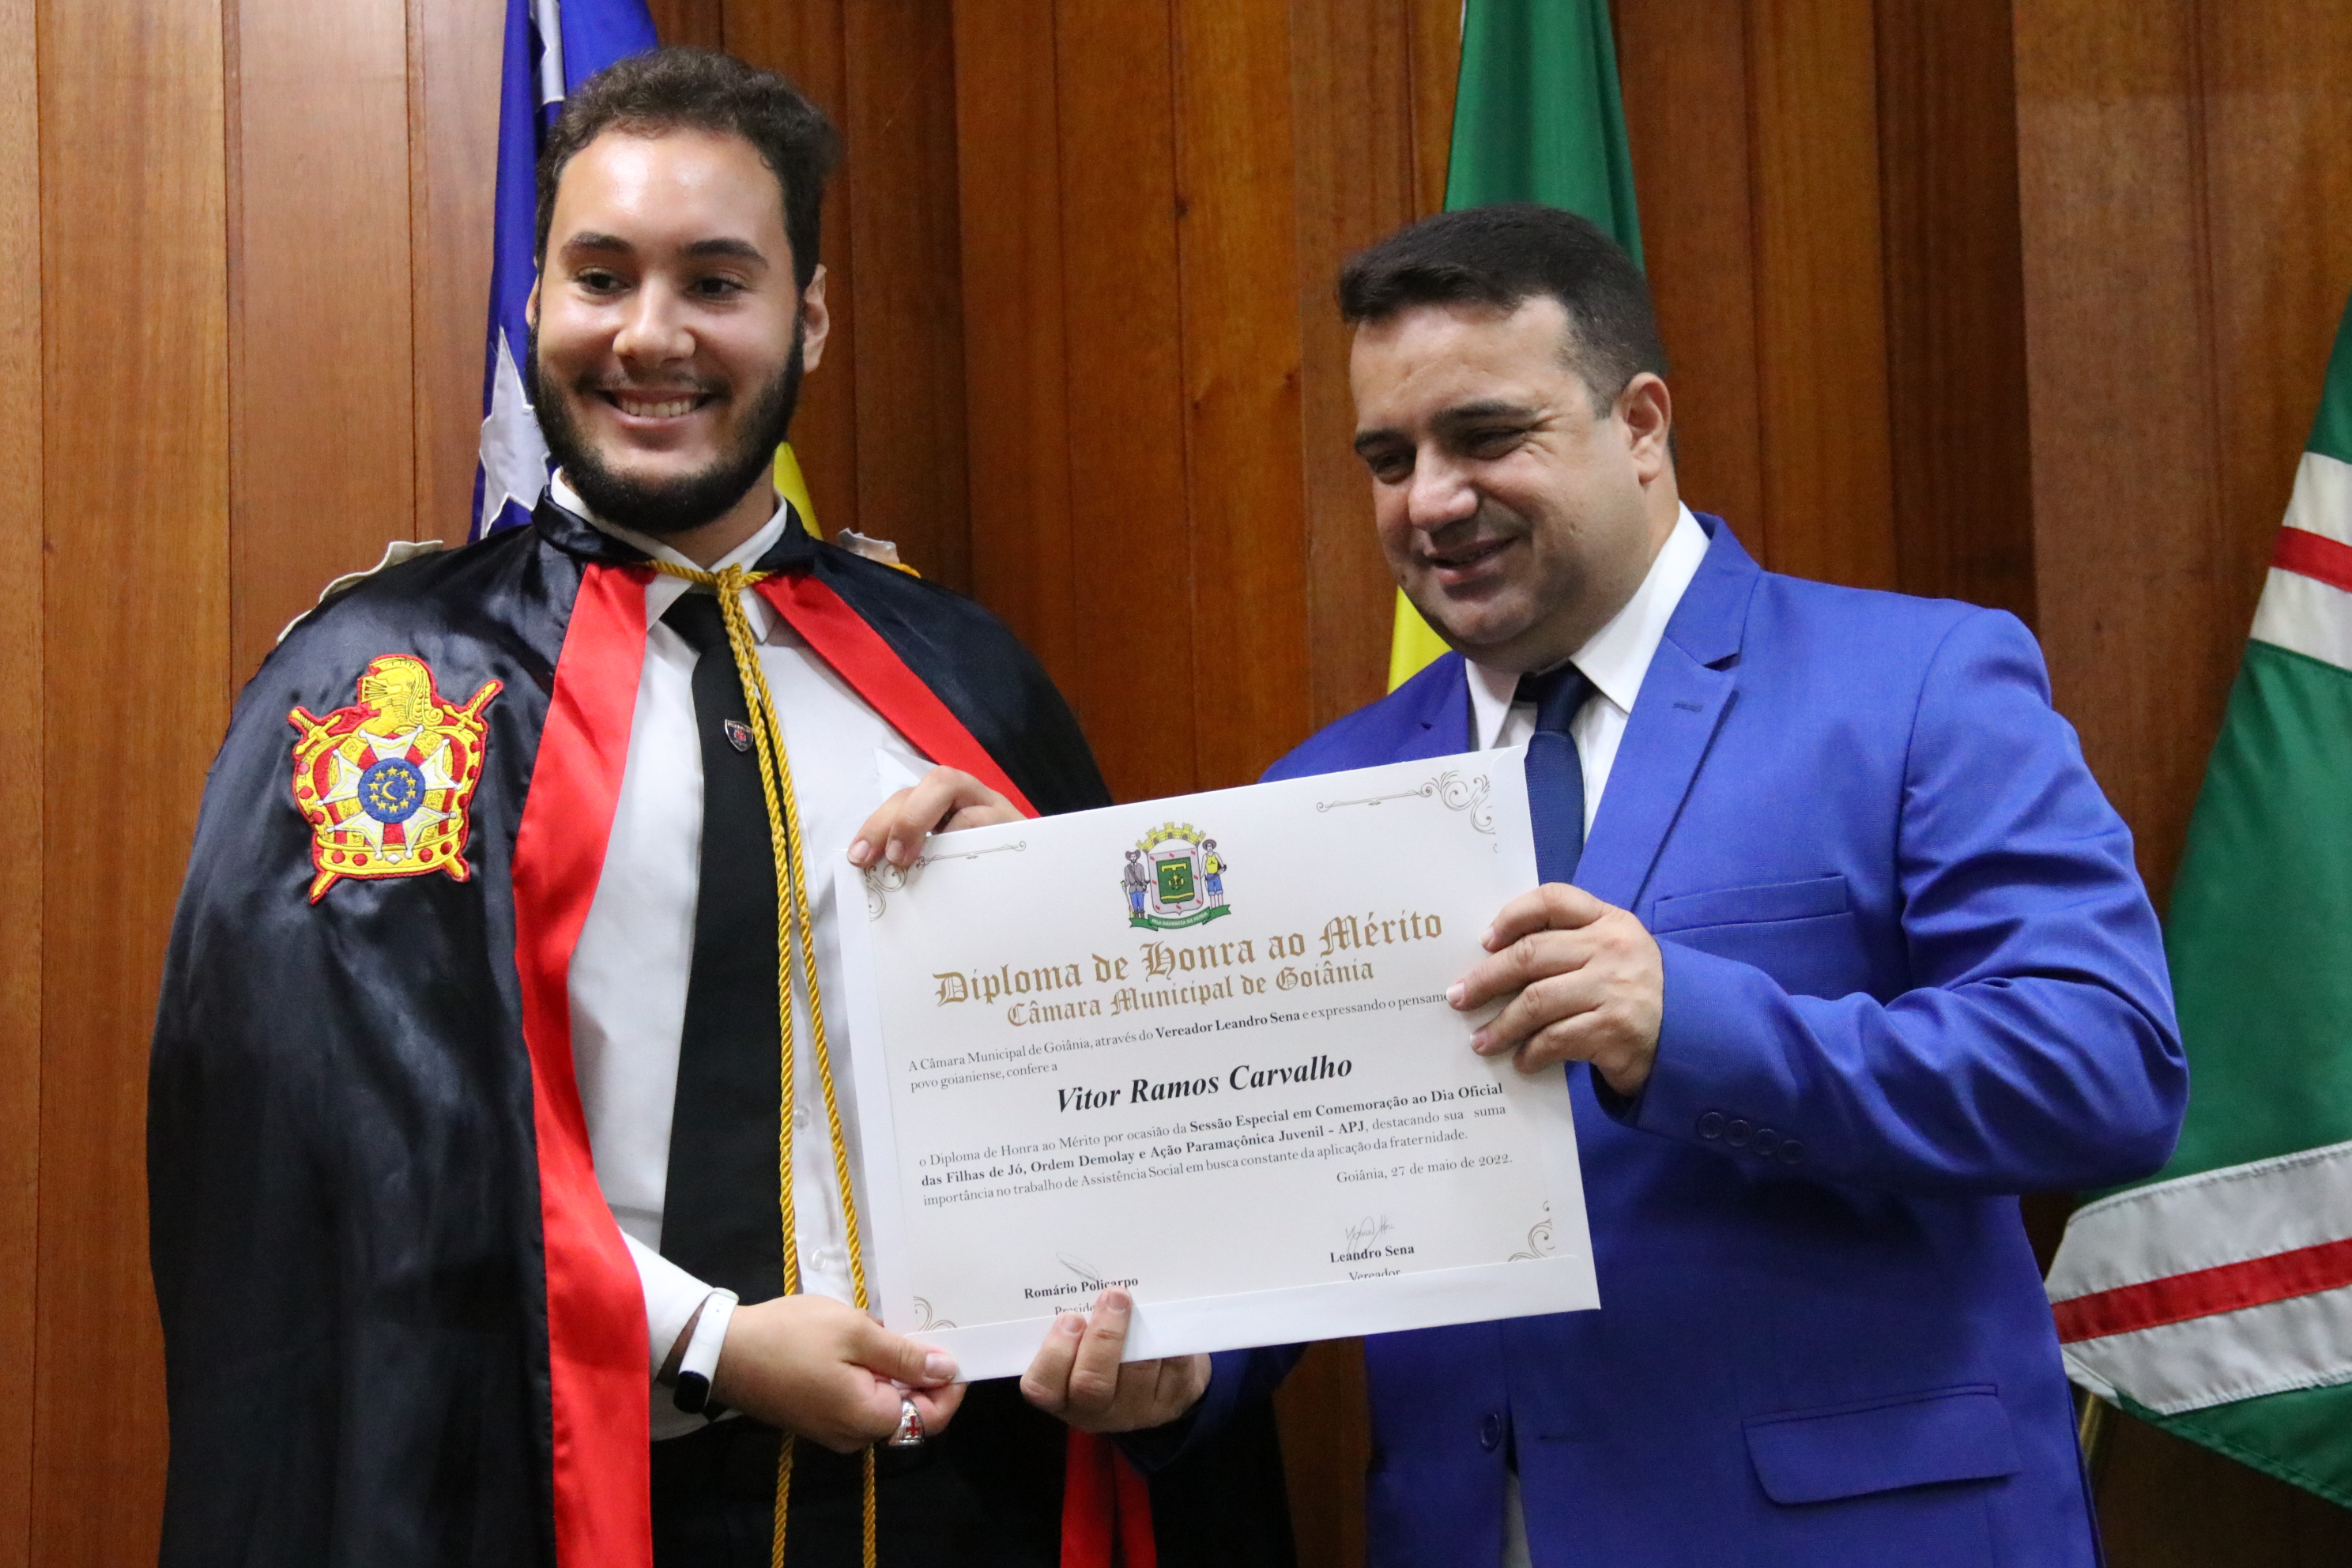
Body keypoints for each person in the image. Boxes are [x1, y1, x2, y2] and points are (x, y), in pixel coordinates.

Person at [149, 47, 1290, 1568]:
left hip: (968, 1501)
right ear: (535, 300)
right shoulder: (385, 686)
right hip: (558, 1497)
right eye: (600, 276)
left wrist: (1038, 913)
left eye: (715, 281)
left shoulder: (961, 677)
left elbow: (1156, 1110)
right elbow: (340, 1150)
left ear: (807, 317)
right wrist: (708, 1341)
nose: (650, 334)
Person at [1194, 205, 2186, 1564]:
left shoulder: (1918, 686)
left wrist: (1691, 1030)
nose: (1429, 499)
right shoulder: (1320, 790)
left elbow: (2105, 1070)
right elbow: (1298, 1197)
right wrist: (1182, 1373)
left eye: (1485, 435)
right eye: (1389, 457)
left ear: (1643, 424)